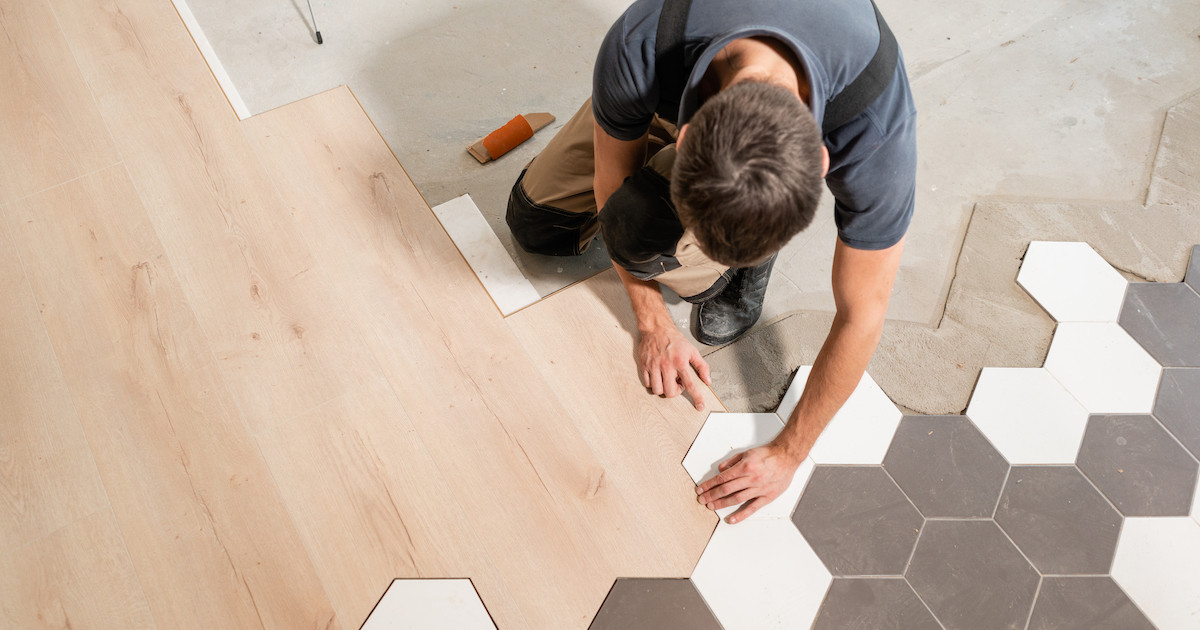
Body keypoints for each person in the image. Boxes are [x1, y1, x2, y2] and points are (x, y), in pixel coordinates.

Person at [505, 0, 916, 524]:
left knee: (660, 243)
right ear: (685, 136)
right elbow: (613, 187)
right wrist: (653, 322)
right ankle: (678, 171)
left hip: (722, 99)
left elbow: (863, 313)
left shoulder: (874, 123)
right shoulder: (642, 43)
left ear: (820, 160)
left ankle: (753, 239)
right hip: (666, 88)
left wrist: (789, 452)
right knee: (540, 224)